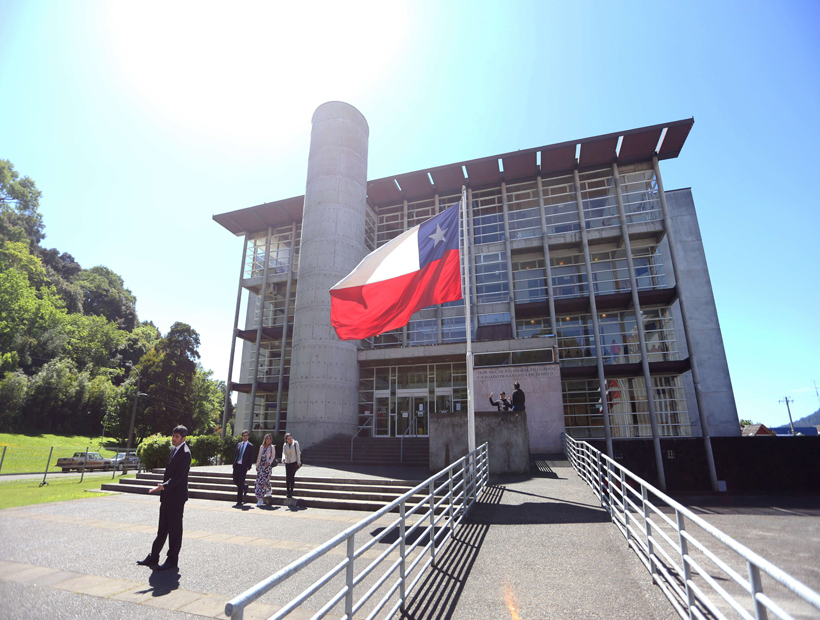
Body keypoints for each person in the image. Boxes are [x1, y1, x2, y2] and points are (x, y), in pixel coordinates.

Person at [137, 424, 192, 571]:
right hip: (167, 495)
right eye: (173, 436)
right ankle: (154, 556)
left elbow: (179, 477)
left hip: (177, 497)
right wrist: (164, 487)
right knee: (162, 529)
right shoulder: (174, 449)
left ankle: (172, 560)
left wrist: (164, 485)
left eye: (177, 437)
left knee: (175, 530)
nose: (173, 439)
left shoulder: (186, 453)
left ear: (183, 438)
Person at [232, 430, 254, 507]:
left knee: (240, 483)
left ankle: (239, 501)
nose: (245, 437)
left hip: (244, 467)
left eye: (246, 435)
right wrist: (234, 464)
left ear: (248, 437)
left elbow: (251, 457)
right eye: (244, 435)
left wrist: (249, 467)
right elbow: (236, 455)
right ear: (242, 437)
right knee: (235, 480)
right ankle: (245, 486)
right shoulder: (239, 445)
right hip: (237, 465)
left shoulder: (250, 446)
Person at [254, 433, 276, 507]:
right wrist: (257, 465)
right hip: (261, 466)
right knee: (259, 482)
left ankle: (269, 489)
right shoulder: (261, 447)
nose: (268, 440)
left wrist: (269, 462)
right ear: (265, 439)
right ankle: (260, 499)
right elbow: (259, 456)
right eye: (267, 438)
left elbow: (273, 456)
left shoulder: (272, 447)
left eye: (270, 439)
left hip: (267, 466)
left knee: (266, 481)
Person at [281, 432, 301, 499]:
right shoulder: (285, 445)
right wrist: (283, 458)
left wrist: (298, 462)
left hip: (293, 462)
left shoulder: (295, 443)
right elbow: (283, 452)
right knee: (287, 477)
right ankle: (287, 490)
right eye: (288, 439)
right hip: (287, 462)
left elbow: (298, 453)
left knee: (292, 476)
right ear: (286, 439)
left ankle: (291, 491)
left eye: (290, 438)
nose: (290, 440)